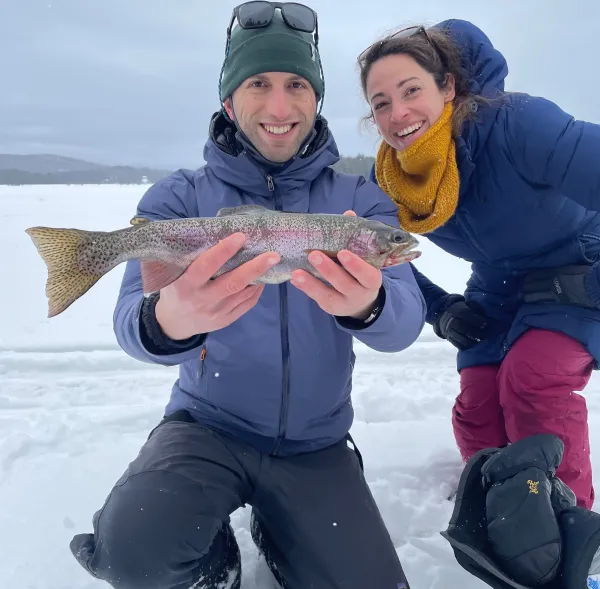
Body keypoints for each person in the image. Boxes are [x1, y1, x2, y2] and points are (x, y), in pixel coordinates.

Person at [69, 3, 425, 589]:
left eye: (296, 85)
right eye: (259, 83)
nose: (280, 107)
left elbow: (405, 323)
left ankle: (282, 532)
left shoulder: (361, 201)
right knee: (134, 553)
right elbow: (132, 325)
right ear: (230, 100)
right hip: (205, 427)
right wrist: (170, 320)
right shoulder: (179, 198)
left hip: (316, 443)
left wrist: (369, 306)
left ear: (316, 99)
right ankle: (216, 567)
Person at [356, 18, 600, 511]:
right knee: (480, 401)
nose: (398, 113)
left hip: (580, 264)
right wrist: (441, 308)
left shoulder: (516, 124)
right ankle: (497, 504)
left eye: (411, 90)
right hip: (498, 281)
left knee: (532, 380)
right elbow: (380, 257)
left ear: (447, 87)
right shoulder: (393, 179)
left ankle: (564, 519)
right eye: (381, 103)